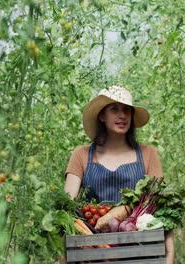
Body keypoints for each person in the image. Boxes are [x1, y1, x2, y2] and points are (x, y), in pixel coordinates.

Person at [62, 85, 174, 264]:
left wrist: (169, 254)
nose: (122, 115)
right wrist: (63, 255)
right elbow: (66, 206)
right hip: (92, 253)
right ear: (101, 115)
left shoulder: (148, 154)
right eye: (114, 109)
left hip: (140, 252)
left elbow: (161, 208)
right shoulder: (81, 155)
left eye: (126, 110)